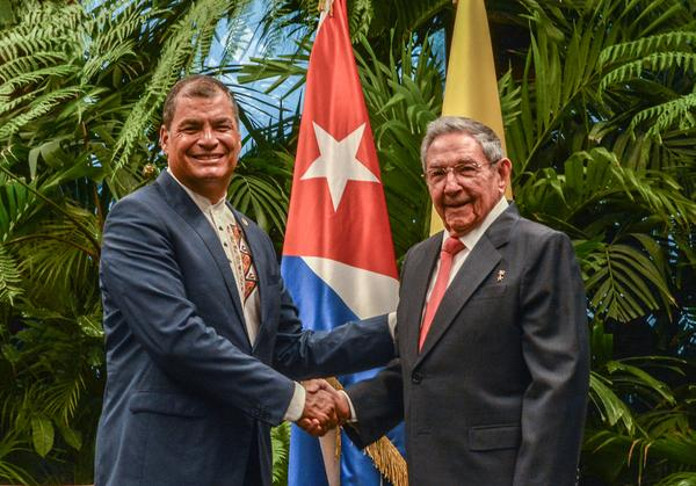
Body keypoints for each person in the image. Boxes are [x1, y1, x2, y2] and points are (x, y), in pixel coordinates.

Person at [94, 75, 395, 486]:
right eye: (191, 128)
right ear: (165, 139)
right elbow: (177, 338)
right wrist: (294, 400)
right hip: (165, 464)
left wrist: (401, 328)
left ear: (237, 136)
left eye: (221, 126)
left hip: (244, 466)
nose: (208, 139)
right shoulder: (138, 220)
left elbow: (289, 349)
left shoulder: (251, 234)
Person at [338, 116, 590, 485]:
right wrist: (348, 405)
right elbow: (421, 367)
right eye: (437, 174)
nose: (451, 186)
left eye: (465, 169)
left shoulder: (540, 250)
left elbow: (557, 391)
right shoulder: (420, 259)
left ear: (501, 174)